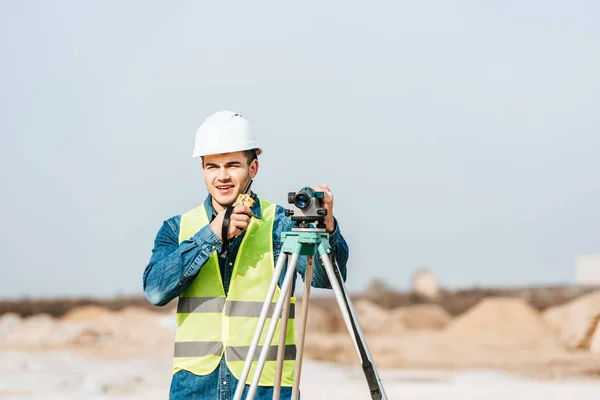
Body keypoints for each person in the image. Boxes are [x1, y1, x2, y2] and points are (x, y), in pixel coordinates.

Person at [142, 111, 349, 399]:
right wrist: (211, 235)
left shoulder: (281, 225)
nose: (222, 176)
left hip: (267, 385)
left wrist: (327, 230)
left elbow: (327, 281)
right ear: (202, 169)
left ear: (253, 168)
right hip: (195, 388)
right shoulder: (178, 228)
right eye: (212, 166)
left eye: (232, 165)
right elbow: (155, 291)